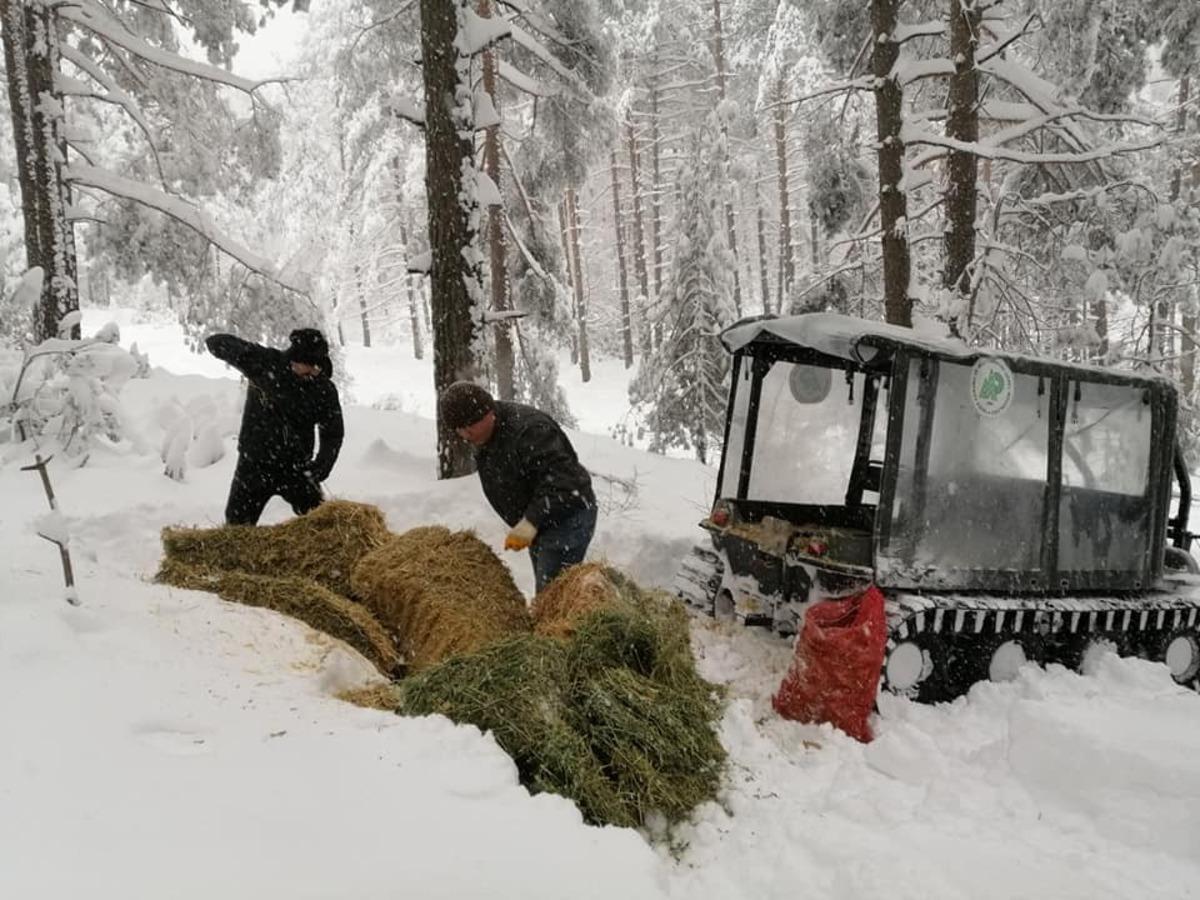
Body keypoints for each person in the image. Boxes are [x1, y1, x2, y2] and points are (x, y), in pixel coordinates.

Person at [440, 381, 596, 592]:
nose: (465, 435)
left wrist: (530, 522)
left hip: (567, 518)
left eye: (469, 426)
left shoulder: (530, 431)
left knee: (553, 597)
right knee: (548, 586)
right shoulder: (485, 436)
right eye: (459, 429)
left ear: (487, 412)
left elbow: (563, 484)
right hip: (541, 521)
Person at [205, 328, 344, 525]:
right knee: (237, 526)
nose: (312, 372)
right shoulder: (266, 363)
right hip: (254, 464)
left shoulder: (323, 389)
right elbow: (215, 342)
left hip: (296, 467)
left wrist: (322, 464)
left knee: (321, 523)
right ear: (294, 360)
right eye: (307, 366)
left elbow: (332, 433)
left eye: (316, 368)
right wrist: (241, 351)